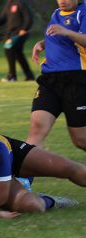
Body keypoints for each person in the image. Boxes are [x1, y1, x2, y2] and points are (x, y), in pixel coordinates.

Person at [27, 0, 86, 151]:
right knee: (36, 130)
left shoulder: (83, 11)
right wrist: (43, 43)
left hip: (76, 80)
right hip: (50, 79)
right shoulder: (56, 13)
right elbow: (59, 35)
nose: (62, 1)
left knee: (80, 139)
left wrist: (66, 31)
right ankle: (25, 175)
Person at [0, 0, 35, 82]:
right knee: (18, 54)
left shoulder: (21, 3)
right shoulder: (9, 4)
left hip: (20, 32)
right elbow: (3, 18)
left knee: (9, 49)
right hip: (11, 33)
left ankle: (12, 76)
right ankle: (30, 76)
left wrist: (25, 28)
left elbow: (29, 17)